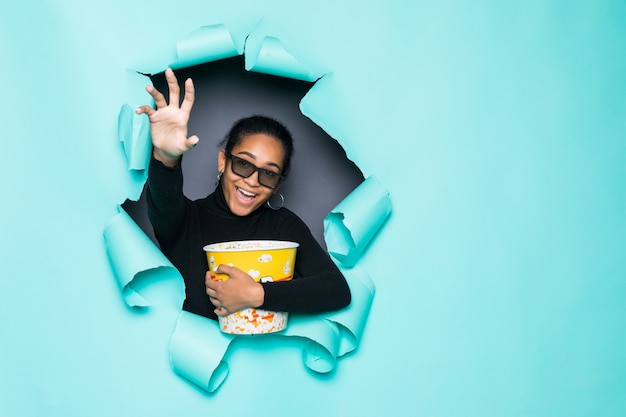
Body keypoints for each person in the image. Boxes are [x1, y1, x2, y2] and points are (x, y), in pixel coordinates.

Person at [135, 68, 351, 320]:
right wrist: (166, 157)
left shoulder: (283, 225)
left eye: (268, 173)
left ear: (278, 184)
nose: (252, 181)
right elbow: (164, 200)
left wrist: (256, 294)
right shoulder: (185, 219)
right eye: (244, 164)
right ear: (222, 161)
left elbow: (336, 290)